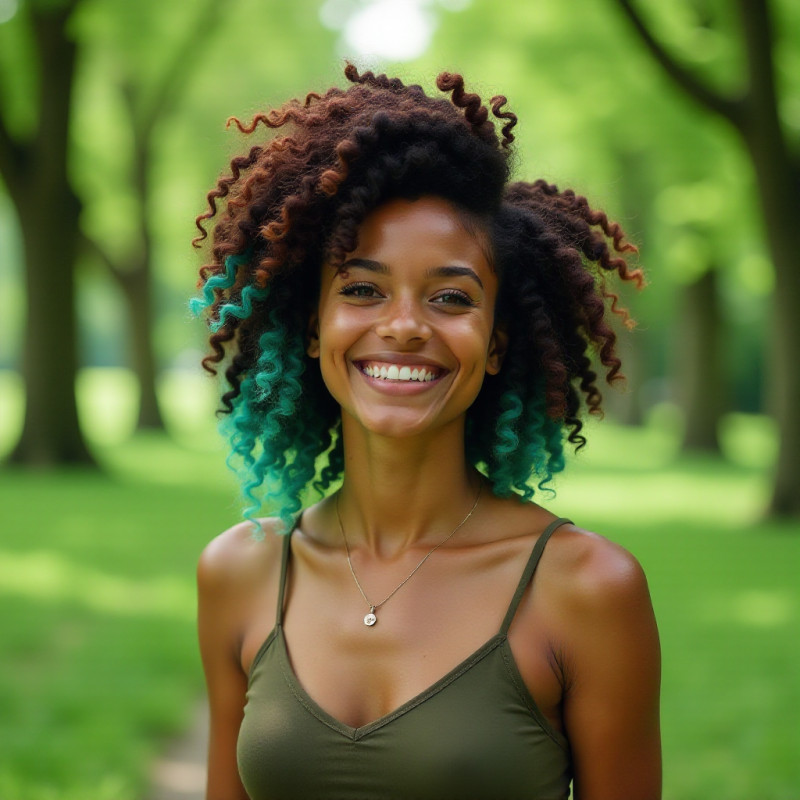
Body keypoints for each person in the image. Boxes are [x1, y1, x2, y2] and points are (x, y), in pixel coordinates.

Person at [192, 64, 661, 800]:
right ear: (312, 326)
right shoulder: (239, 572)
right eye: (362, 289)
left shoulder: (588, 590)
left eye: (450, 297)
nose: (405, 326)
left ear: (497, 341)